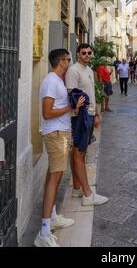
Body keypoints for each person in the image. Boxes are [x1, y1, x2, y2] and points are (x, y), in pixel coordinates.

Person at [34, 49, 85, 247]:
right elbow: (47, 112)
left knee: (52, 176)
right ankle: (44, 232)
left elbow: (59, 107)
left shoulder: (57, 81)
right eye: (68, 59)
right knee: (54, 180)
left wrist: (74, 106)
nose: (70, 62)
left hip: (60, 132)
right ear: (61, 61)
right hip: (55, 134)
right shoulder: (51, 81)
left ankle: (53, 217)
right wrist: (71, 109)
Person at [65, 44, 108, 207]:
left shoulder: (89, 70)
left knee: (79, 153)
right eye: (84, 53)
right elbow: (72, 95)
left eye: (90, 52)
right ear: (78, 54)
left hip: (89, 115)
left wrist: (96, 113)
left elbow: (91, 95)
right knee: (78, 153)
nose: (87, 55)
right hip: (80, 118)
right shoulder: (73, 71)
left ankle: (77, 188)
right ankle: (88, 195)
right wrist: (83, 114)